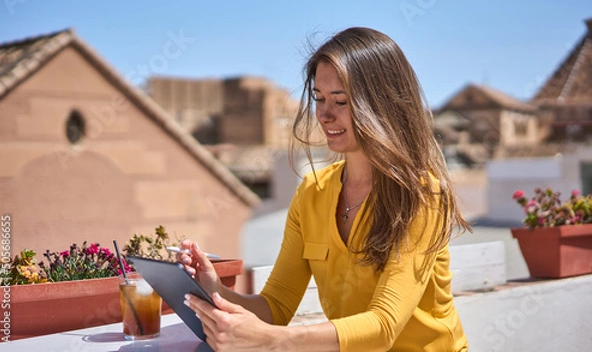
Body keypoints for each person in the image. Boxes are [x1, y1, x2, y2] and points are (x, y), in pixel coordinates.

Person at [180, 27, 471, 351]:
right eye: (319, 98)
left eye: (341, 101)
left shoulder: (421, 195)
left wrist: (274, 341)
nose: (324, 114)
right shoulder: (312, 192)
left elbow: (384, 325)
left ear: (383, 103)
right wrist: (215, 289)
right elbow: (276, 306)